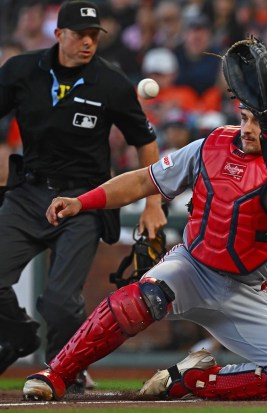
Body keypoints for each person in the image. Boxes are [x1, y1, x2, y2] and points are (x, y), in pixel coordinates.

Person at [22, 83, 267, 402]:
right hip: (192, 269)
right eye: (246, 118)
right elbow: (144, 179)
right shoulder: (210, 145)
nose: (248, 129)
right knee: (143, 296)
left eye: (260, 122)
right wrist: (82, 202)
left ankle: (191, 381)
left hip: (244, 291)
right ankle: (57, 373)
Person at [0, 0, 166, 381]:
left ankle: (67, 369)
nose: (88, 42)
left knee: (60, 304)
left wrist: (152, 203)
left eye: (94, 35)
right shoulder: (21, 71)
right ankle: (19, 334)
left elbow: (145, 141)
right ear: (59, 34)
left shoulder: (111, 82)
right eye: (80, 35)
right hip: (28, 193)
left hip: (83, 201)